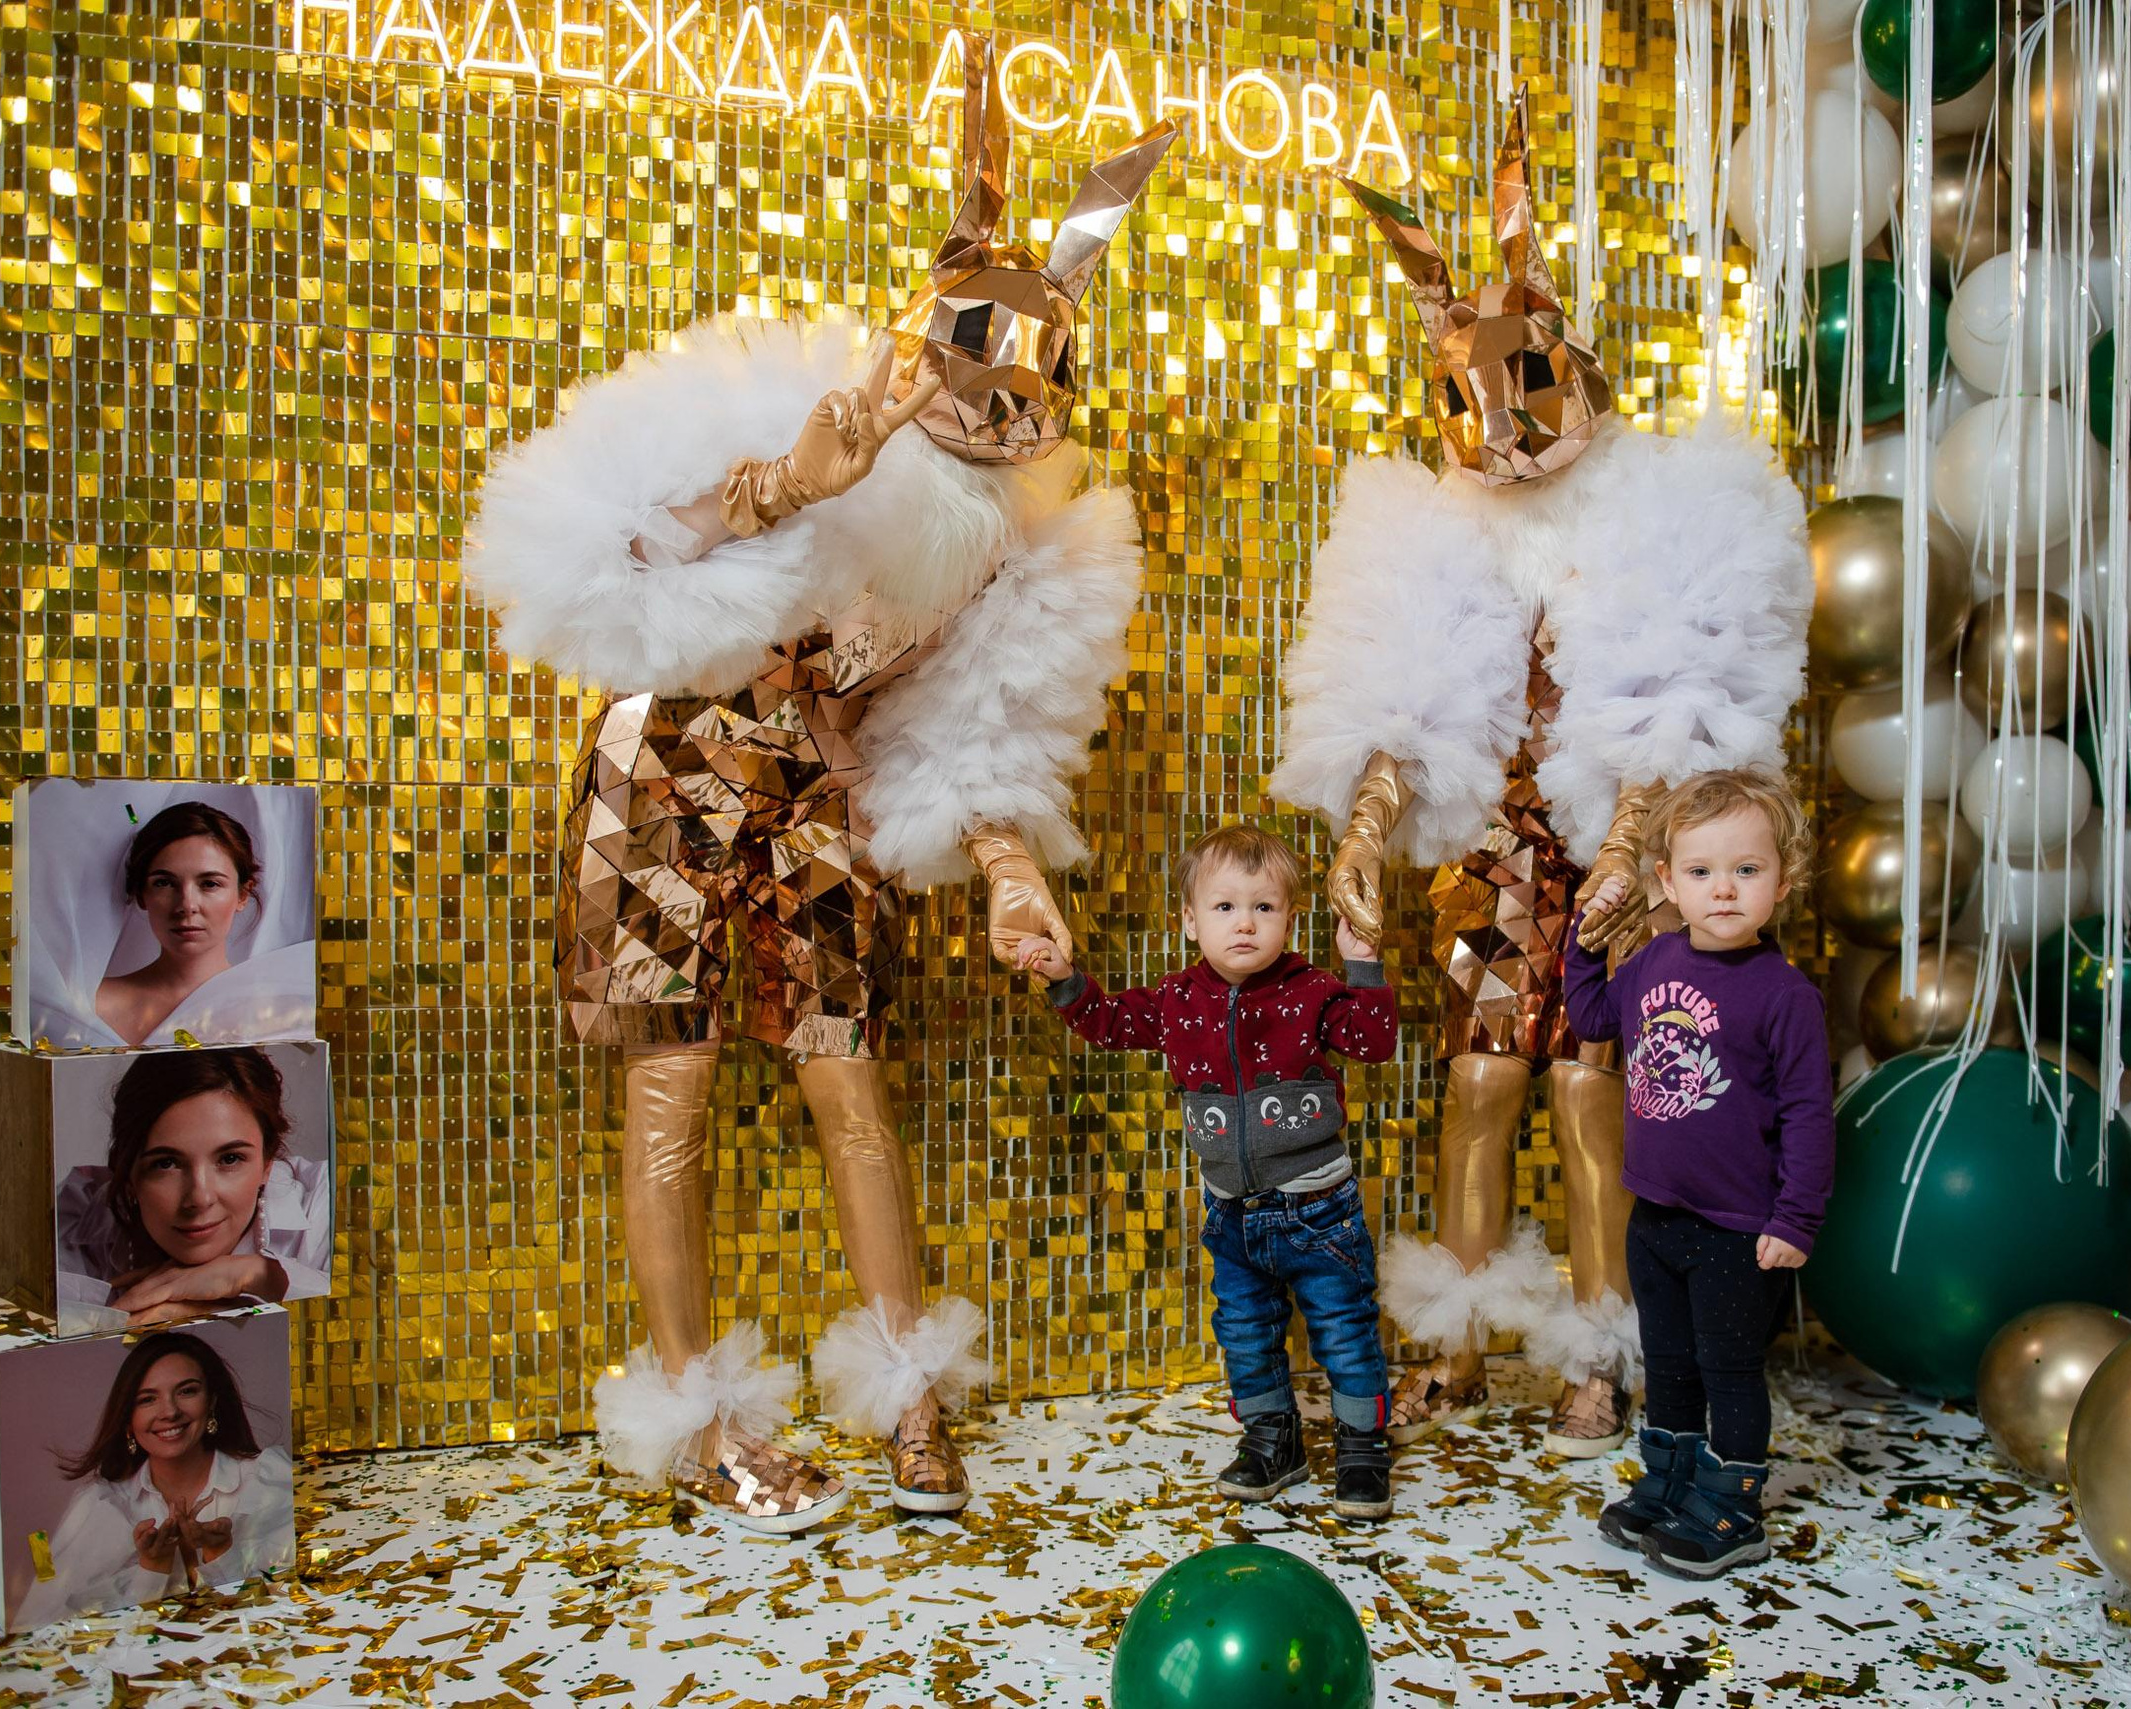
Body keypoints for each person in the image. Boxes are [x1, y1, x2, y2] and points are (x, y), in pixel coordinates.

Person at [461, 51, 1177, 1529]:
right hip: (668, 768)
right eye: (970, 367)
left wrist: (1009, 870)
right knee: (672, 1082)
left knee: (848, 1076)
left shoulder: (1030, 542)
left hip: (820, 800)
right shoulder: (795, 404)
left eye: (1025, 389)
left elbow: (976, 728)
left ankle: (910, 1398)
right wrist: (783, 485)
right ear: (923, 341)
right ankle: (699, 1422)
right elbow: (601, 562)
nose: (992, 408)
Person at [1271, 102, 1811, 1454]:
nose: (1499, 433)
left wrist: (1629, 850)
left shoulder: (1668, 506)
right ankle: (1451, 1342)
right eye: (1468, 405)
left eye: (1520, 391)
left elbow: (1682, 710)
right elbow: (1410, 700)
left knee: (1595, 1091)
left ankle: (1603, 1349)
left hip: (1627, 856)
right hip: (1500, 857)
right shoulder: (1439, 527)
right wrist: (1366, 825)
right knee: (1476, 1085)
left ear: (1569, 365)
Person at [1012, 827, 1404, 1520]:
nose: (1245, 923)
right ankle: (1271, 1438)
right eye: (1224, 907)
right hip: (1232, 1212)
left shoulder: (1312, 989)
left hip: (1319, 1211)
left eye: (1264, 907)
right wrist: (1062, 980)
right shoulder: (1177, 998)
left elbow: (1373, 1042)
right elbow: (1106, 1021)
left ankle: (1362, 1447)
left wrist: (1362, 965)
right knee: (1246, 1332)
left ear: (1291, 917)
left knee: (1344, 1327)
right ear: (1190, 920)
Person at [1565, 768, 1833, 1580]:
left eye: (1746, 870)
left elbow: (1810, 1117)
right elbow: (1593, 1020)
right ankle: (1671, 1481)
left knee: (1729, 1369)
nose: (1724, 889)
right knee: (1669, 1363)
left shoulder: (1786, 996)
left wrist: (1794, 1222)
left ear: (1782, 882)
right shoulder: (1649, 966)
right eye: (1702, 871)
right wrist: (1583, 949)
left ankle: (1734, 1505)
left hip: (1736, 1230)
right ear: (1667, 882)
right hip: (1655, 1219)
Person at [12, 1332, 293, 1627]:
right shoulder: (100, 1503)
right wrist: (152, 1570)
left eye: (186, 1391)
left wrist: (220, 1553)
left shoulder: (265, 1478)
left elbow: (295, 1603)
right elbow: (37, 1626)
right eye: (147, 1399)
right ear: (128, 1422)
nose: (169, 1412)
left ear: (211, 1402)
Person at [54, 1047, 331, 1329]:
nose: (199, 1198)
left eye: (230, 1159)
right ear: (127, 1176)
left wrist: (254, 1277)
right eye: (166, 1164)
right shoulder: (77, 1218)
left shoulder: (330, 1204)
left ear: (267, 1164)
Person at [88, 803, 297, 1048]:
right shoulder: (91, 1006)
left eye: (209, 884)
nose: (187, 905)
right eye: (164, 883)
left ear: (243, 894)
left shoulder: (277, 1013)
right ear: (142, 894)